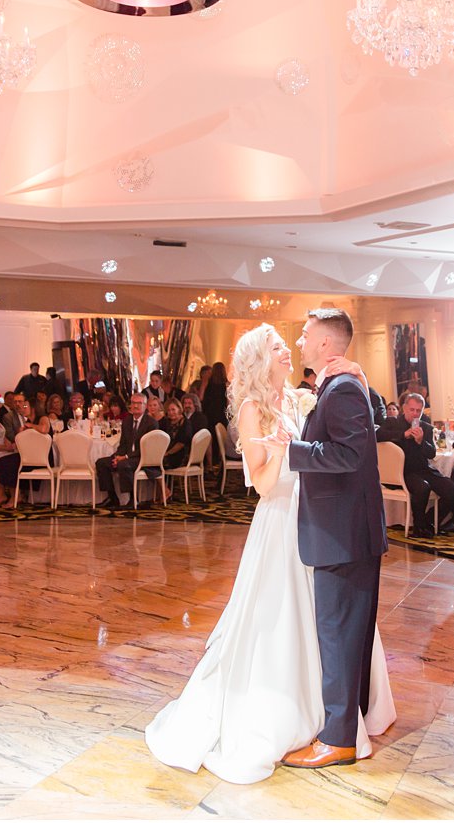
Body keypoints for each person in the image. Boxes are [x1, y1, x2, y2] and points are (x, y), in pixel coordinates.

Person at [145, 321, 394, 782]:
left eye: (289, 342)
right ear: (261, 359)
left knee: (329, 623)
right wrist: (284, 452)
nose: (288, 349)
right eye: (279, 346)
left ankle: (334, 716)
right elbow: (260, 484)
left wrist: (357, 378)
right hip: (280, 519)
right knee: (283, 620)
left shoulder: (302, 397)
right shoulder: (252, 408)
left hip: (317, 518)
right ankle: (294, 713)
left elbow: (343, 434)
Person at [252, 310, 393, 771]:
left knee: (338, 634)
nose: (300, 340)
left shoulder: (344, 387)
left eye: (307, 334)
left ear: (327, 344)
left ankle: (337, 740)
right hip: (346, 532)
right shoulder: (341, 384)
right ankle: (351, 724)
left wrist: (289, 452)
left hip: (342, 534)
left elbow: (351, 456)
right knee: (346, 634)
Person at [377, 392, 454, 536]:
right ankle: (419, 527)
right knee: (422, 487)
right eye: (412, 410)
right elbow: (377, 436)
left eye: (418, 411)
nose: (415, 414)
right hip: (403, 472)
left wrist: (420, 442)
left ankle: (427, 520)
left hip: (423, 469)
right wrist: (403, 435)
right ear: (404, 408)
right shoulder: (392, 423)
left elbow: (431, 453)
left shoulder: (426, 427)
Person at [94, 393, 160, 509]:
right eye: (133, 403)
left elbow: (146, 449)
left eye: (139, 403)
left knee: (124, 464)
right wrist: (117, 456)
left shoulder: (151, 423)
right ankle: (112, 498)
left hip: (142, 457)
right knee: (101, 463)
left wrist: (125, 457)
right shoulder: (127, 421)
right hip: (126, 456)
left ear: (145, 406)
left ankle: (133, 499)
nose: (135, 406)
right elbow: (123, 444)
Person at [161, 398, 194, 469]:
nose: (171, 412)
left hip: (180, 455)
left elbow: (181, 444)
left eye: (173, 409)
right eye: (168, 410)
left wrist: (167, 453)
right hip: (167, 453)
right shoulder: (166, 422)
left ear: (179, 409)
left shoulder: (186, 423)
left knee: (157, 462)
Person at [203, 362, 230, 434]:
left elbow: (202, 397)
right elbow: (228, 403)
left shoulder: (209, 384)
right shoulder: (227, 385)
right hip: (221, 413)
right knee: (220, 435)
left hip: (209, 413)